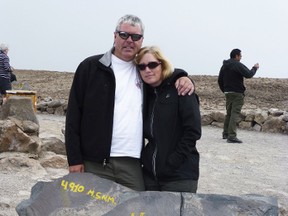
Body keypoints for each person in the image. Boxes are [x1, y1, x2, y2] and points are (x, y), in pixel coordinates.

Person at [65, 14, 194, 191]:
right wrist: (74, 159)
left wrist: (182, 76)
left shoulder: (143, 69)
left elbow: (164, 74)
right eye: (124, 35)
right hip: (94, 163)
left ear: (141, 40)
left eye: (135, 37)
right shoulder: (90, 67)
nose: (129, 41)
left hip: (132, 163)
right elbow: (73, 116)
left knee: (136, 209)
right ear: (115, 36)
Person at [135, 46, 202, 193]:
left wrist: (172, 163)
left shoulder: (181, 90)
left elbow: (193, 131)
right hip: (150, 177)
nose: (147, 70)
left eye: (152, 64)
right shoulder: (145, 95)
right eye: (142, 66)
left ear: (162, 64)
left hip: (179, 176)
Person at [218, 48, 259, 143]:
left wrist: (225, 91)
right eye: (240, 56)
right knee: (234, 114)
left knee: (229, 113)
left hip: (228, 93)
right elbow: (248, 74)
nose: (241, 57)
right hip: (237, 93)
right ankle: (231, 136)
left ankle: (226, 133)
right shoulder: (237, 65)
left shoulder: (224, 66)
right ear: (236, 56)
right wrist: (255, 68)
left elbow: (220, 80)